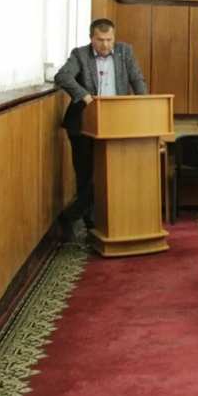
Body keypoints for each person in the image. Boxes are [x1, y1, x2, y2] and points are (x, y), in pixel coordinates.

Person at [53, 18, 147, 240]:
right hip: (83, 124)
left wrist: (144, 105)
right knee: (86, 176)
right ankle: (90, 224)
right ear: (91, 38)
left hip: (115, 123)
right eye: (100, 40)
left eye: (109, 39)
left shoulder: (125, 52)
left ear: (114, 38)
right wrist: (84, 95)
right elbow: (62, 76)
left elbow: (137, 80)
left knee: (109, 173)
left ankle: (70, 216)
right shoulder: (80, 54)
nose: (105, 44)